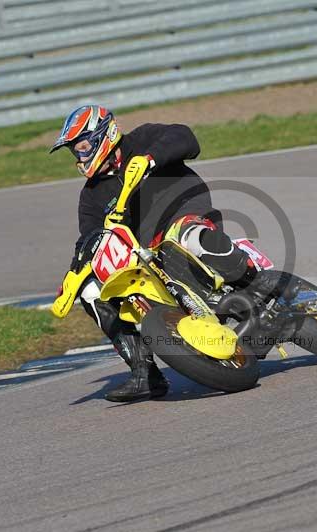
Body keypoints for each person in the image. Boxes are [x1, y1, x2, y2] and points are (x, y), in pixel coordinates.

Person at [50, 104, 266, 402]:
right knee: (91, 291)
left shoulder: (142, 139)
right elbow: (89, 237)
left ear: (104, 134)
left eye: (84, 147)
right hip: (147, 255)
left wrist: (149, 160)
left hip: (186, 214)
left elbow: (186, 139)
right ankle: (145, 373)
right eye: (76, 151)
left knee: (188, 239)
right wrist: (73, 276)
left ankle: (261, 286)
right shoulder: (91, 195)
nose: (80, 156)